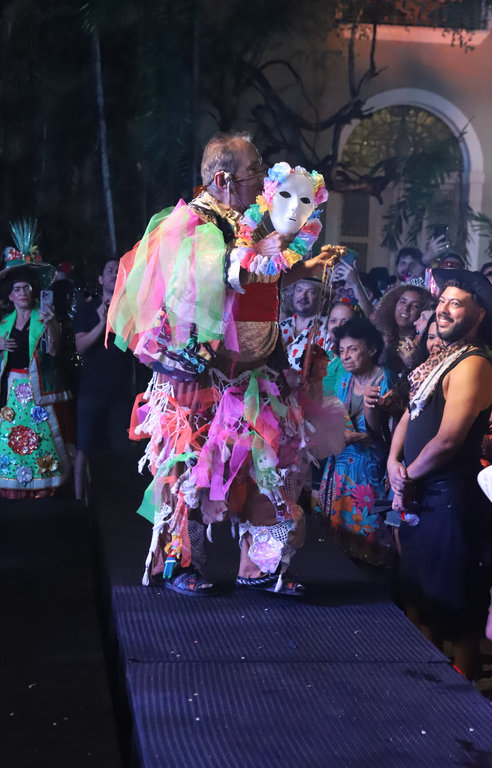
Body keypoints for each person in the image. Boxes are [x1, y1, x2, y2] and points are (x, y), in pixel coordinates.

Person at [108, 136, 342, 596]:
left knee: (267, 462)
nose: (264, 178)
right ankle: (179, 562)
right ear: (223, 178)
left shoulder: (248, 221)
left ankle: (259, 566)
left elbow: (264, 277)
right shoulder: (193, 224)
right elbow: (220, 279)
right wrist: (270, 251)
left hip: (256, 368)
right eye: (255, 170)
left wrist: (306, 265)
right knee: (194, 465)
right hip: (203, 371)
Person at [387, 269, 492, 679]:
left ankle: (464, 709)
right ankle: (428, 697)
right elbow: (410, 415)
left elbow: (449, 439)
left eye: (456, 303)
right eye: (441, 302)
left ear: (479, 314)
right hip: (423, 496)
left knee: (458, 621)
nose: (443, 310)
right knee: (421, 609)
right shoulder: (439, 360)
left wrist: (407, 476)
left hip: (451, 502)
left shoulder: (473, 363)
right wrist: (393, 461)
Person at [318, 317, 394, 563]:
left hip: (371, 475)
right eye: (341, 351)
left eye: (352, 349)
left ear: (371, 349)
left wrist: (359, 437)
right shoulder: (345, 380)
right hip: (339, 472)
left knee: (369, 546)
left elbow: (394, 434)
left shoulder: (387, 381)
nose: (345, 356)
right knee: (337, 551)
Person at [0, 245, 72, 498]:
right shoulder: (4, 324)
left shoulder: (44, 318)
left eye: (27, 288)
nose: (22, 293)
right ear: (10, 295)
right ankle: (12, 489)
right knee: (10, 439)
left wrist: (51, 324)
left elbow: (53, 350)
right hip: (10, 394)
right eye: (17, 289)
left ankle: (45, 489)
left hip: (38, 390)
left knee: (41, 439)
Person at [74, 258, 135, 500]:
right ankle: (79, 503)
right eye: (109, 270)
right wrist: (102, 323)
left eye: (118, 271)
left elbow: (134, 346)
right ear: (100, 279)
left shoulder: (129, 310)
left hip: (120, 392)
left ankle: (123, 502)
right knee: (84, 447)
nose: (114, 274)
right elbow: (81, 346)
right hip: (91, 390)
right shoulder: (87, 309)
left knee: (122, 448)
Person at [373, 284, 431, 372]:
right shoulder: (381, 333)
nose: (406, 308)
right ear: (394, 304)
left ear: (422, 311)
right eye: (403, 302)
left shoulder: (425, 343)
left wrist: (411, 364)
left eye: (415, 306)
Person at [280, 278, 326, 369]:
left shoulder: (327, 327)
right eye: (299, 290)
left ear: (320, 299)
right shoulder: (281, 326)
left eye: (311, 292)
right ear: (293, 294)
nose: (303, 296)